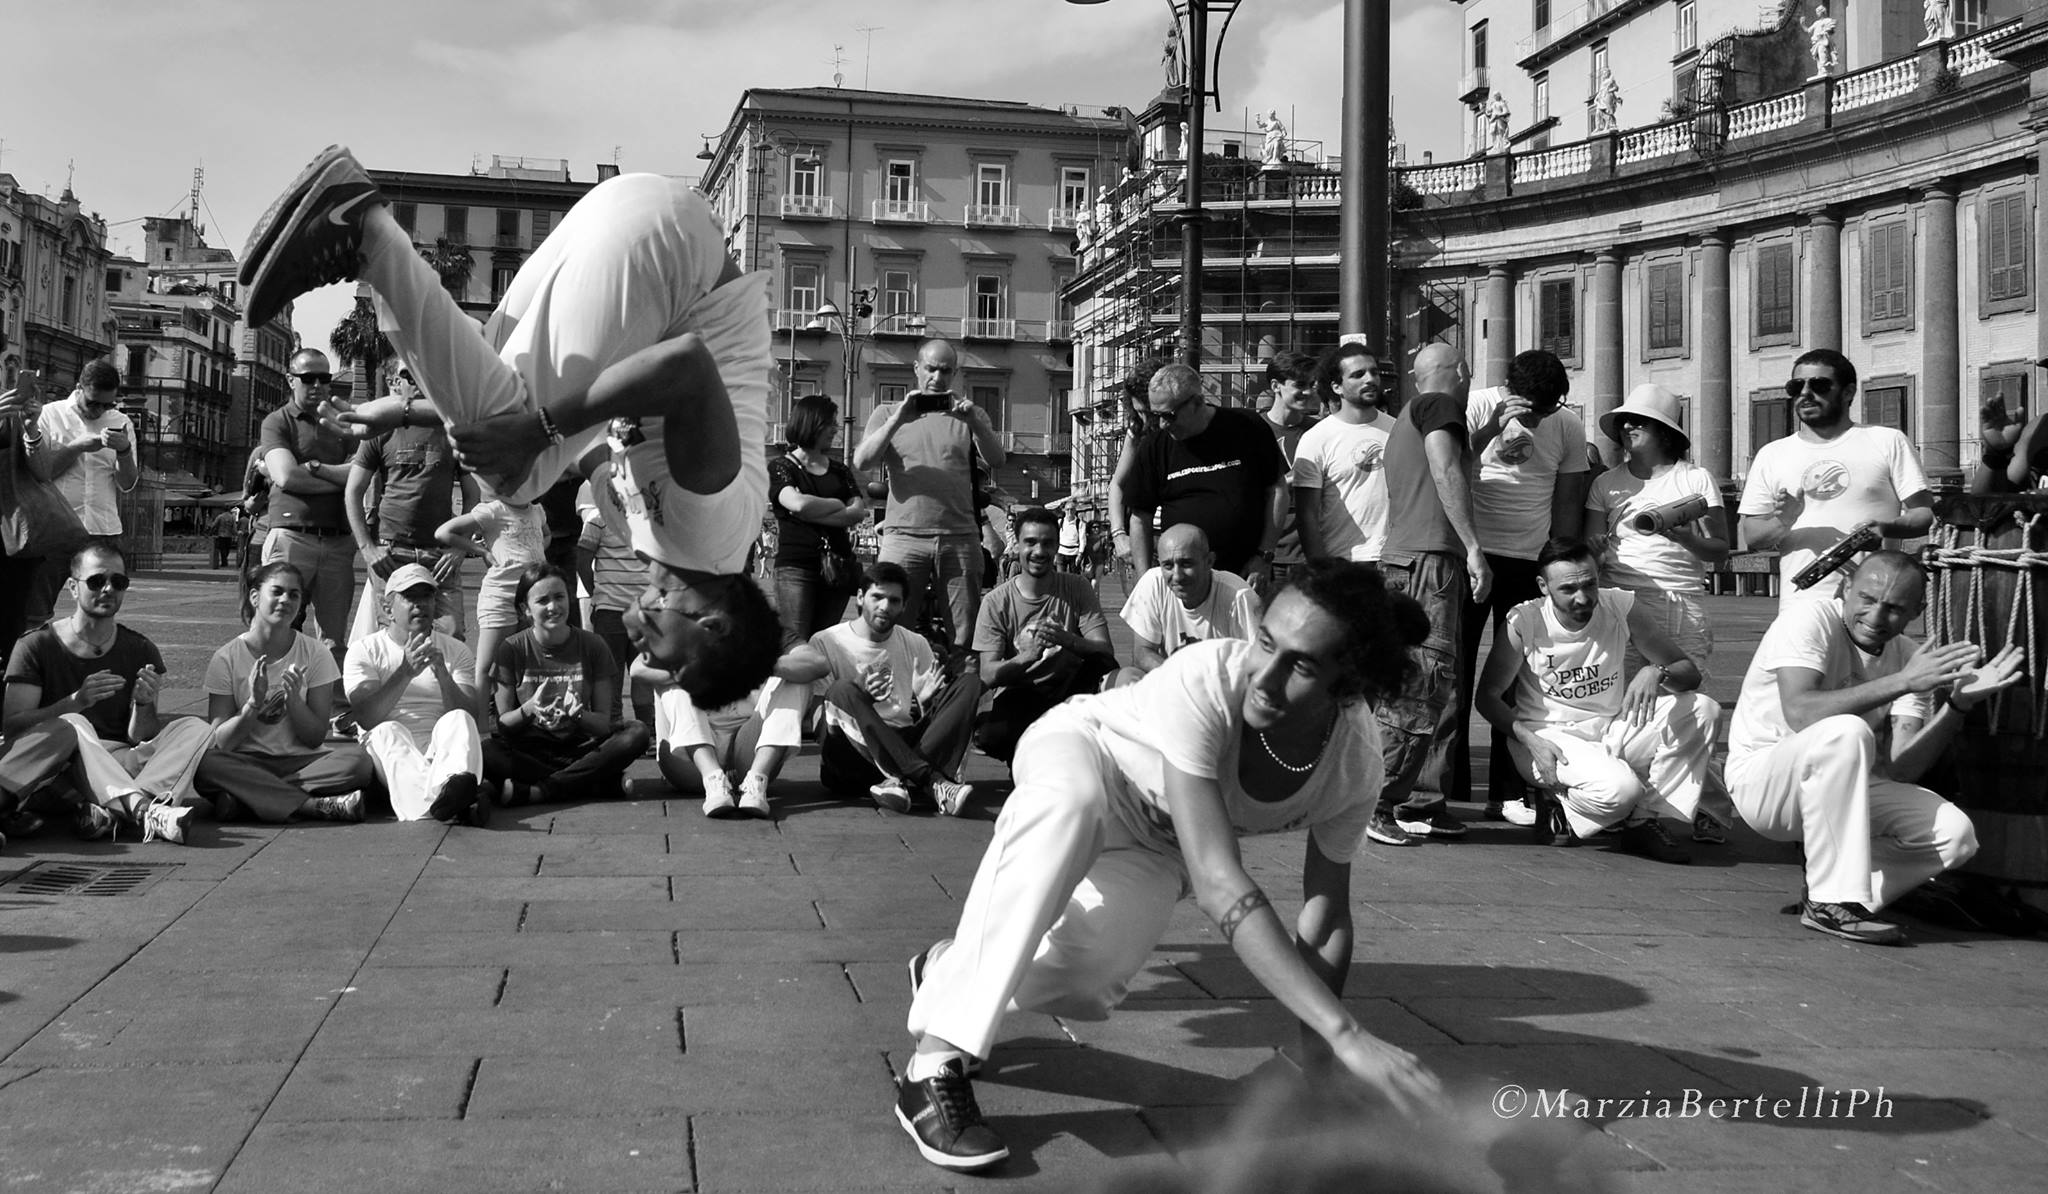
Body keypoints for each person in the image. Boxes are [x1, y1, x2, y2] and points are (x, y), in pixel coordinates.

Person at [894, 561, 1445, 1172]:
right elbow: (1217, 881)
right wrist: (1348, 1035)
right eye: (1267, 642)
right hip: (1089, 755)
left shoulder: (1354, 766)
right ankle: (933, 1063)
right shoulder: (1208, 676)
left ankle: (946, 969)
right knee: (1067, 808)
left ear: (1348, 686)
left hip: (1160, 844)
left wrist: (1315, 1059)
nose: (1266, 675)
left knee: (1087, 982)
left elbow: (1326, 913)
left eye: (1303, 665)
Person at [238, 145, 782, 708]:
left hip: (626, 218)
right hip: (674, 261)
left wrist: (405, 411)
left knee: (508, 435)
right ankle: (365, 234)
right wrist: (536, 430)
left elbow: (579, 446)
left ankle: (364, 245)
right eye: (664, 658)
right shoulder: (712, 530)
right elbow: (687, 365)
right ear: (713, 626)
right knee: (515, 475)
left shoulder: (647, 532)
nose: (641, 654)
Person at [1725, 552, 2017, 945]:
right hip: (1764, 784)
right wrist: (1902, 683)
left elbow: (1900, 771)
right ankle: (1833, 902)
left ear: (1917, 611)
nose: (1877, 617)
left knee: (1954, 834)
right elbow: (1799, 712)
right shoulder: (1808, 619)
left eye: (1895, 608)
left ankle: (1839, 892)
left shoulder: (1908, 658)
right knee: (1846, 731)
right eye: (1867, 598)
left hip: (1840, 790)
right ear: (1845, 589)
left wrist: (1957, 705)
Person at [1473, 538, 1719, 864]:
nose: (1582, 597)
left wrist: (1656, 671)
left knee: (1703, 710)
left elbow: (1688, 674)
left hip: (1610, 726)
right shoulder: (1524, 621)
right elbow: (1487, 697)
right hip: (1549, 738)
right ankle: (1558, 799)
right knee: (1621, 792)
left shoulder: (1619, 605)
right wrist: (1526, 738)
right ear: (1543, 586)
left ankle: (1642, 821)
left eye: (1589, 584)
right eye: (1568, 589)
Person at [1584, 383, 1734, 843]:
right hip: (1621, 601)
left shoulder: (1695, 479)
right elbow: (1592, 542)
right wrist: (1596, 548)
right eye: (1625, 422)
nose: (1628, 427)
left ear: (1664, 432)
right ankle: (1641, 797)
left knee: (1690, 704)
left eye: (1640, 422)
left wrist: (1683, 537)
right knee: (1625, 704)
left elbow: (1720, 552)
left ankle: (1711, 808)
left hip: (1678, 602)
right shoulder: (1606, 484)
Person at [1448, 349, 1590, 820]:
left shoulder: (1567, 424)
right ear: (1509, 390)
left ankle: (1508, 790)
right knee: (1457, 665)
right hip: (1473, 554)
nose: (1539, 418)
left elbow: (1567, 499)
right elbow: (1447, 469)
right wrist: (1489, 429)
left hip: (1528, 557)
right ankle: (1452, 782)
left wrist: (1559, 563)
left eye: (1547, 409)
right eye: (1532, 408)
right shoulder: (1476, 405)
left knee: (1516, 677)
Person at [1368, 344, 1492, 848]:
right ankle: (1377, 801)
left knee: (1440, 685)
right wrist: (1473, 548)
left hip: (1405, 559)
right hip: (1430, 562)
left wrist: (1484, 435)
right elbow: (1445, 470)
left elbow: (1444, 461)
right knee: (1422, 685)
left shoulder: (1408, 414)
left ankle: (1422, 800)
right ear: (1462, 373)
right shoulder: (1442, 406)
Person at [0, 545, 203, 844]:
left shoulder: (140, 648)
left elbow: (140, 736)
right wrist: (74, 703)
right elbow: (13, 727)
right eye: (96, 581)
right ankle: (143, 809)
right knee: (72, 723)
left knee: (195, 728)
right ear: (72, 587)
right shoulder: (36, 645)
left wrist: (143, 704)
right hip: (57, 769)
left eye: (118, 582)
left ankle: (113, 807)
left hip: (117, 763)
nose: (108, 589)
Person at [1738, 348, 1932, 606]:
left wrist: (1886, 529)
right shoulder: (1771, 454)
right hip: (1799, 606)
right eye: (1796, 386)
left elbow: (1924, 514)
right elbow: (1752, 536)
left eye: (1819, 385)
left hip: (1873, 607)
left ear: (1848, 392)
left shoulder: (1888, 441)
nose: (1805, 393)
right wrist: (1783, 521)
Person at [852, 339, 1003, 662]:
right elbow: (863, 461)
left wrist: (975, 422)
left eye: (946, 370)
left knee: (966, 635)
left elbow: (997, 459)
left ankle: (963, 699)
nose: (938, 377)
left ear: (955, 373)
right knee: (888, 626)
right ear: (917, 369)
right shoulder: (888, 413)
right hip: (903, 537)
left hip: (960, 538)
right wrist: (899, 418)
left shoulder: (969, 414)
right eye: (931, 368)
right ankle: (892, 702)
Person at [192, 562, 376, 823]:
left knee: (358, 762)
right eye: (276, 592)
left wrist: (294, 702)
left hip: (300, 761)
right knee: (205, 763)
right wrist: (252, 706)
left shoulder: (316, 653)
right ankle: (308, 805)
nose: (285, 600)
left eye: (294, 594)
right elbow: (222, 742)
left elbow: (314, 738)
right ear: (255, 597)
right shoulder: (226, 658)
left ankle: (250, 798)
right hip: (246, 761)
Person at [811, 563, 983, 815]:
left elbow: (924, 718)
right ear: (860, 598)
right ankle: (932, 781)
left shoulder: (915, 642)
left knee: (969, 683)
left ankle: (897, 780)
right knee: (841, 690)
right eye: (877, 597)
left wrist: (924, 703)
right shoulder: (826, 641)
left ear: (904, 606)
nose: (884, 607)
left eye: (893, 600)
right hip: (852, 757)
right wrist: (861, 697)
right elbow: (818, 722)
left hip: (903, 741)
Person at [483, 563, 650, 807]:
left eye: (559, 597)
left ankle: (541, 791)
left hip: (580, 748)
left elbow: (604, 724)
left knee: (637, 733)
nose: (554, 607)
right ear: (525, 609)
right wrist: (528, 710)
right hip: (531, 751)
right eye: (542, 601)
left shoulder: (594, 645)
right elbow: (503, 725)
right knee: (487, 751)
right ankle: (593, 782)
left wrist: (579, 715)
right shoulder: (511, 648)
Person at [343, 563, 489, 825]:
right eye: (410, 597)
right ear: (387, 608)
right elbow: (366, 717)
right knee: (389, 731)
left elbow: (471, 716)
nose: (420, 604)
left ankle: (444, 797)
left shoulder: (455, 650)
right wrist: (405, 672)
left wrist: (443, 676)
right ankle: (453, 801)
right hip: (391, 750)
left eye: (427, 596)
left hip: (440, 748)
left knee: (458, 719)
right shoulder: (363, 650)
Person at [971, 507, 1119, 762]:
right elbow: (987, 674)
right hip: (1023, 690)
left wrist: (1067, 640)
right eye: (1030, 543)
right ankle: (1030, 755)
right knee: (990, 736)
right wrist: (1026, 657)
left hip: (1070, 688)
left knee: (1112, 671)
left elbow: (1105, 651)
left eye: (1047, 543)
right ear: (1016, 545)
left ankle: (1098, 753)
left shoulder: (1077, 586)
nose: (1039, 552)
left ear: (1057, 546)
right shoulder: (996, 601)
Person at [1120, 363, 1287, 586]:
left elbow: (1277, 490)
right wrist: (1145, 582)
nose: (1162, 424)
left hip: (1246, 574)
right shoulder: (1154, 446)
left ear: (1197, 402)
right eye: (1155, 414)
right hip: (1183, 583)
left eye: (1169, 415)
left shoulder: (1248, 427)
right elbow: (1140, 517)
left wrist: (1264, 556)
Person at [344, 360, 472, 641]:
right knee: (393, 639)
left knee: (451, 636)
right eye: (408, 375)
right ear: (395, 382)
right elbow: (354, 490)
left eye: (424, 374)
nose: (417, 381)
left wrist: (459, 549)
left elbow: (473, 494)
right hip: (392, 552)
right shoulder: (380, 429)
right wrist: (367, 548)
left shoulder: (452, 428)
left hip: (439, 554)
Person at [258, 348, 360, 663]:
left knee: (333, 640)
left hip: (337, 539)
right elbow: (286, 476)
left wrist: (316, 468)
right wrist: (340, 479)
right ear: (291, 380)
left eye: (324, 378)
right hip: (291, 536)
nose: (317, 384)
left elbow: (362, 471)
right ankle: (269, 702)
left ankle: (329, 708)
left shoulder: (343, 422)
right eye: (308, 378)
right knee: (276, 626)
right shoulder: (277, 421)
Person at [647, 641, 821, 819]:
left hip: (747, 756)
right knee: (672, 681)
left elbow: (818, 663)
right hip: (690, 764)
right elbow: (639, 668)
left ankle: (756, 779)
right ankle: (713, 779)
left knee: (799, 676)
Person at [27, 360, 138, 629]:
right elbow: (41, 472)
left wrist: (124, 452)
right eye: (94, 402)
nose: (100, 410)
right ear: (79, 388)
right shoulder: (49, 415)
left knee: (101, 607)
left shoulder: (120, 422)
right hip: (55, 528)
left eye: (107, 404)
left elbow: (128, 483)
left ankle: (91, 661)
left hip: (102, 528)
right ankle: (34, 662)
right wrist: (77, 446)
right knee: (36, 609)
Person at [768, 394, 867, 648]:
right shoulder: (781, 466)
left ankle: (821, 690)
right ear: (812, 423)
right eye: (830, 423)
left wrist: (814, 510)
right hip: (796, 567)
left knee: (826, 644)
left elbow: (858, 511)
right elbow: (796, 503)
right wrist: (836, 504)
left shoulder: (840, 470)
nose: (836, 429)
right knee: (795, 645)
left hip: (837, 570)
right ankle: (789, 690)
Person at [1110, 523, 1262, 688]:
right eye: (1168, 565)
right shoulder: (1152, 583)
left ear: (1209, 561)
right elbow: (1142, 653)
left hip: (1221, 690)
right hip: (1173, 683)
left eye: (1186, 564)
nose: (1177, 576)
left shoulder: (1239, 596)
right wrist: (1183, 681)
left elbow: (1259, 663)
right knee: (1123, 679)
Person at [435, 493, 550, 712]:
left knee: (526, 664)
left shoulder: (537, 511)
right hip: (501, 595)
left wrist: (536, 553)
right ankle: (481, 728)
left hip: (532, 596)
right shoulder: (493, 510)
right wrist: (482, 551)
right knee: (488, 667)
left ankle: (518, 721)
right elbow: (443, 532)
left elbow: (547, 534)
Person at [578, 427, 654, 727]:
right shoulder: (598, 518)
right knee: (609, 676)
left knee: (643, 672)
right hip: (610, 611)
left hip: (645, 612)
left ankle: (646, 728)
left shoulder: (650, 514)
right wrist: (597, 594)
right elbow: (583, 560)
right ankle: (611, 727)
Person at [1292, 343, 1391, 564]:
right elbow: (1306, 514)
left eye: (1374, 372)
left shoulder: (1399, 430)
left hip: (1397, 560)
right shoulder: (1316, 439)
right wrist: (1321, 567)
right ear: (1337, 387)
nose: (1370, 379)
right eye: (1358, 375)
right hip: (1343, 562)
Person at [1260, 351, 1323, 582]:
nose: (1307, 392)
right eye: (1300, 385)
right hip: (1268, 555)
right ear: (1276, 386)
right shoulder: (1254, 431)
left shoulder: (1321, 432)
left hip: (1310, 555)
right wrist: (1287, 480)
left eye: (1311, 385)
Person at [1106, 358, 1169, 576]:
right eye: (1138, 411)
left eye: (1149, 412)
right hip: (1145, 537)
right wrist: (1118, 534)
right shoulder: (1137, 431)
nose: (1144, 418)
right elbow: (1116, 484)